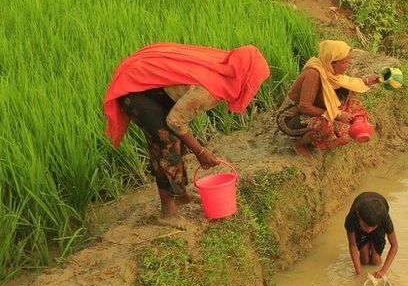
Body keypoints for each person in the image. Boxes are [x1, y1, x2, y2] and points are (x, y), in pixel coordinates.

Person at [103, 43, 270, 225]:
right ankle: (168, 212)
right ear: (243, 76)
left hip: (152, 85)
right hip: (136, 90)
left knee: (176, 139)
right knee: (164, 143)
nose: (252, 89)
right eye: (253, 82)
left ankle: (181, 195)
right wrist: (200, 151)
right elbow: (175, 122)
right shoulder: (208, 90)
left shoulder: (223, 69)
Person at [276, 40, 380, 159]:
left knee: (349, 94)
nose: (348, 65)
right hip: (292, 119)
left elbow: (347, 82)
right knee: (328, 127)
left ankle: (356, 122)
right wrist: (338, 114)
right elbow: (304, 107)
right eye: (345, 62)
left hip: (315, 109)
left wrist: (367, 81)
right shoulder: (313, 74)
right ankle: (301, 145)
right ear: (332, 63)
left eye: (349, 61)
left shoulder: (329, 71)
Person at [345, 192, 398, 279]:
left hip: (375, 221)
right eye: (366, 226)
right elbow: (352, 245)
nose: (369, 230)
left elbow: (394, 246)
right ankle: (367, 239)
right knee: (364, 261)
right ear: (359, 216)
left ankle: (372, 236)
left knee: (376, 261)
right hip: (361, 224)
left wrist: (383, 271)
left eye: (372, 227)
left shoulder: (384, 218)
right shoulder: (352, 218)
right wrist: (359, 273)